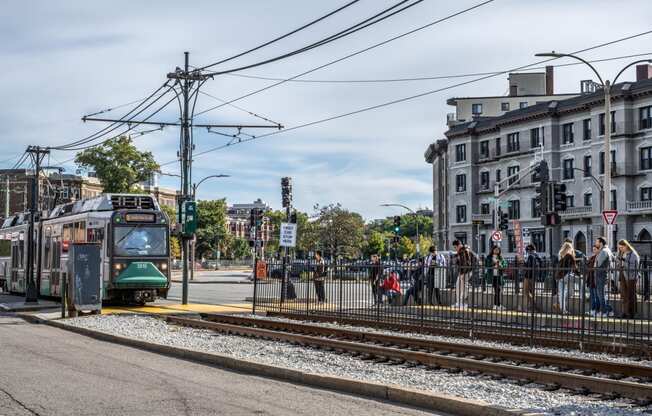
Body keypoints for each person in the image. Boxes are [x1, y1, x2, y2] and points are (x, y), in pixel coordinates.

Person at [617, 239, 640, 319]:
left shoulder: (633, 254)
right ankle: (624, 312)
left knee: (631, 295)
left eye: (622, 247)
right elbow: (619, 263)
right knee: (623, 295)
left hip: (631, 277)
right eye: (619, 248)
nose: (620, 249)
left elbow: (634, 267)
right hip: (623, 275)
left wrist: (624, 263)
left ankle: (631, 313)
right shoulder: (621, 253)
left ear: (626, 246)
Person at [594, 237, 614, 317]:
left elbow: (597, 264)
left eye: (597, 242)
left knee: (601, 295)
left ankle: (604, 312)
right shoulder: (605, 250)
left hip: (601, 275)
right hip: (602, 275)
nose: (596, 243)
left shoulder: (604, 251)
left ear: (601, 243)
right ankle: (609, 310)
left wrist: (595, 264)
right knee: (601, 295)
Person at [556, 242, 577, 314]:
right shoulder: (569, 256)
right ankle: (586, 294)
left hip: (559, 276)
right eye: (571, 248)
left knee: (561, 293)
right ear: (568, 248)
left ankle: (563, 309)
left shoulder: (560, 254)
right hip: (566, 275)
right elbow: (574, 267)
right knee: (570, 291)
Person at [484, 245, 506, 310]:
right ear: (492, 250)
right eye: (495, 249)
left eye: (498, 249)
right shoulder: (489, 257)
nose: (496, 250)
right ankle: (497, 305)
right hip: (492, 276)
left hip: (499, 276)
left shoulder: (501, 257)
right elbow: (487, 265)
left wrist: (500, 265)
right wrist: (493, 263)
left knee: (498, 290)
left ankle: (496, 305)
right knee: (497, 290)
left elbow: (505, 265)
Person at [452, 240, 473, 308]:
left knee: (463, 287)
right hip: (463, 272)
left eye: (455, 247)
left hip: (465, 272)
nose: (455, 249)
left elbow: (466, 263)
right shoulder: (461, 251)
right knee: (459, 286)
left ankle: (463, 303)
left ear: (459, 245)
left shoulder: (464, 251)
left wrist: (463, 274)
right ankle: (459, 302)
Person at [523, 244, 542, 312]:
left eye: (527, 250)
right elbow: (541, 265)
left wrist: (524, 263)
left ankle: (533, 306)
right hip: (535, 276)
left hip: (528, 276)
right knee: (532, 292)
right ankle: (531, 307)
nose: (527, 251)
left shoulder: (530, 256)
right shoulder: (537, 256)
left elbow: (528, 266)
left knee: (526, 292)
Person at [585, 244, 600, 317]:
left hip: (595, 279)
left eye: (595, 249)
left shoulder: (598, 257)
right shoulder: (592, 257)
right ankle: (592, 310)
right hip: (590, 279)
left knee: (596, 296)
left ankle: (596, 310)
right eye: (593, 249)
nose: (594, 251)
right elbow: (587, 266)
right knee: (592, 296)